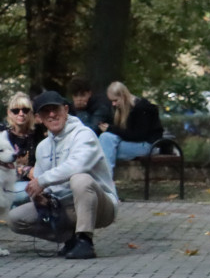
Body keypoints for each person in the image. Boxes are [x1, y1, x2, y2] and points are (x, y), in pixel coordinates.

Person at [7, 91, 118, 259]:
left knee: (80, 179)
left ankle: (85, 240)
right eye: (46, 111)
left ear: (66, 110)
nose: (52, 114)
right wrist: (42, 198)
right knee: (15, 218)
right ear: (39, 118)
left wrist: (42, 181)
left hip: (99, 205)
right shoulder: (43, 147)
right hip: (63, 206)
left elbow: (77, 165)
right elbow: (40, 183)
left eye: (56, 109)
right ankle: (71, 240)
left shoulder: (83, 135)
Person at [98, 81, 163, 172]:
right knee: (105, 140)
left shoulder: (141, 108)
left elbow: (138, 135)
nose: (113, 104)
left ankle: (105, 181)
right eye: (112, 101)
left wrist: (110, 129)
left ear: (123, 96)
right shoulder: (125, 109)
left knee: (104, 147)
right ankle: (106, 180)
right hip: (136, 143)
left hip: (148, 145)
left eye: (115, 100)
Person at [3, 91, 46, 206]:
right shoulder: (3, 135)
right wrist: (26, 170)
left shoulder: (38, 133)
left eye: (25, 110)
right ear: (9, 113)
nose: (21, 114)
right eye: (16, 111)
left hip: (34, 182)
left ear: (31, 113)